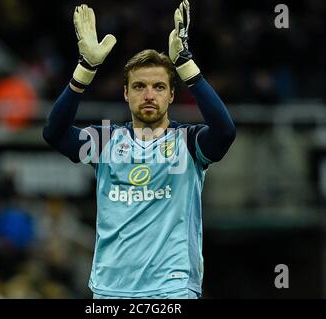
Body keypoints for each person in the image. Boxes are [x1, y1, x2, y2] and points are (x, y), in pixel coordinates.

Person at [43, 1, 235, 299]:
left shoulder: (188, 142)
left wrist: (185, 65)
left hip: (172, 288)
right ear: (125, 93)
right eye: (139, 86)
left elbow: (225, 132)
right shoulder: (106, 142)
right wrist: (85, 69)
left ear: (172, 94)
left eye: (159, 87)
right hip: (110, 290)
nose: (148, 95)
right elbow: (54, 134)